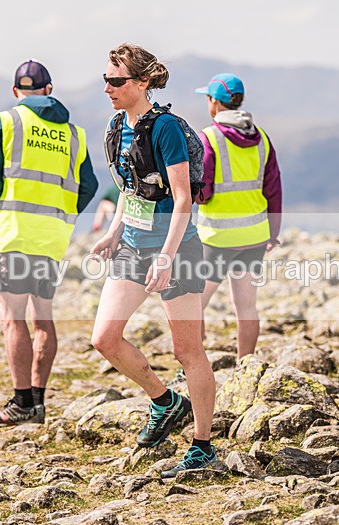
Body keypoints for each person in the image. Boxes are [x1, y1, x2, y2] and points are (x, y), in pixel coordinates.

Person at [90, 43, 216, 478]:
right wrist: (112, 232)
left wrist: (166, 257)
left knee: (187, 350)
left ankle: (202, 445)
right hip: (131, 246)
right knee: (104, 338)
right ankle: (166, 401)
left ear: (142, 82)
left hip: (176, 250)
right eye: (105, 79)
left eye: (117, 80)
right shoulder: (114, 125)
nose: (108, 87)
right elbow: (131, 187)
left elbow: (183, 199)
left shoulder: (164, 129)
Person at [0, 60, 97, 426]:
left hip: (15, 232)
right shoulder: (74, 134)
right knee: (42, 317)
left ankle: (20, 404)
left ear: (17, 92)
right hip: (52, 237)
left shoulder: (6, 121)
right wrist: (66, 215)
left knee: (12, 319)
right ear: (49, 89)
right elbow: (89, 184)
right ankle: (39, 402)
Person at [194, 73, 283, 359]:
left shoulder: (208, 138)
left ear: (215, 102)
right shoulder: (262, 139)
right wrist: (273, 234)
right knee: (246, 307)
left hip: (217, 238)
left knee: (193, 306)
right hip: (255, 236)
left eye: (207, 98)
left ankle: (192, 366)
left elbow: (202, 190)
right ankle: (246, 366)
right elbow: (274, 192)